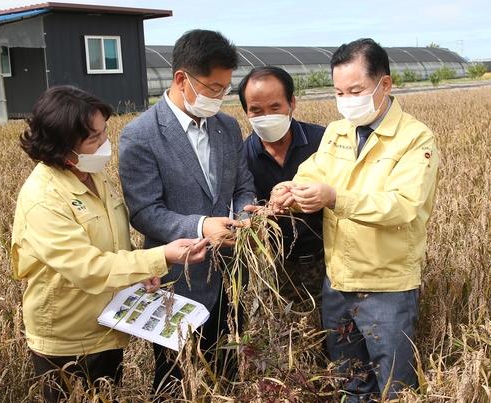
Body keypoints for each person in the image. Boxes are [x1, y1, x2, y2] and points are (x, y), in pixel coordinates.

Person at [11, 86, 208, 402]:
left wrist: (139, 270)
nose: (105, 144)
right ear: (63, 149)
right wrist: (161, 257)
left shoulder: (92, 175)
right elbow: (88, 268)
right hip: (69, 338)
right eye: (94, 139)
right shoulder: (44, 199)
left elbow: (111, 241)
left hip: (107, 324)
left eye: (104, 133)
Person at [270, 38, 439, 400]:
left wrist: (334, 197)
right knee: (351, 383)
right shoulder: (337, 132)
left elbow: (403, 205)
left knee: (395, 386)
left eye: (356, 90)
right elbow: (310, 176)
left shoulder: (414, 138)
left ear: (385, 84)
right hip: (338, 281)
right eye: (339, 91)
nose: (347, 100)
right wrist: (290, 194)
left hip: (387, 285)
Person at [118, 29, 255, 391]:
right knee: (176, 380)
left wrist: (244, 218)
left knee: (225, 372)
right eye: (213, 88)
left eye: (225, 89)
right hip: (177, 282)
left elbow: (243, 187)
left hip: (230, 276)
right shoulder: (141, 135)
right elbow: (145, 211)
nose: (220, 97)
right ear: (182, 79)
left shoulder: (226, 126)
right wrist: (201, 225)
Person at [239, 66, 325, 302]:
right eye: (256, 110)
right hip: (275, 267)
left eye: (275, 107)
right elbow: (240, 206)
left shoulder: (323, 142)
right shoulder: (241, 157)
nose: (266, 116)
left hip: (328, 260)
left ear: (292, 103)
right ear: (246, 112)